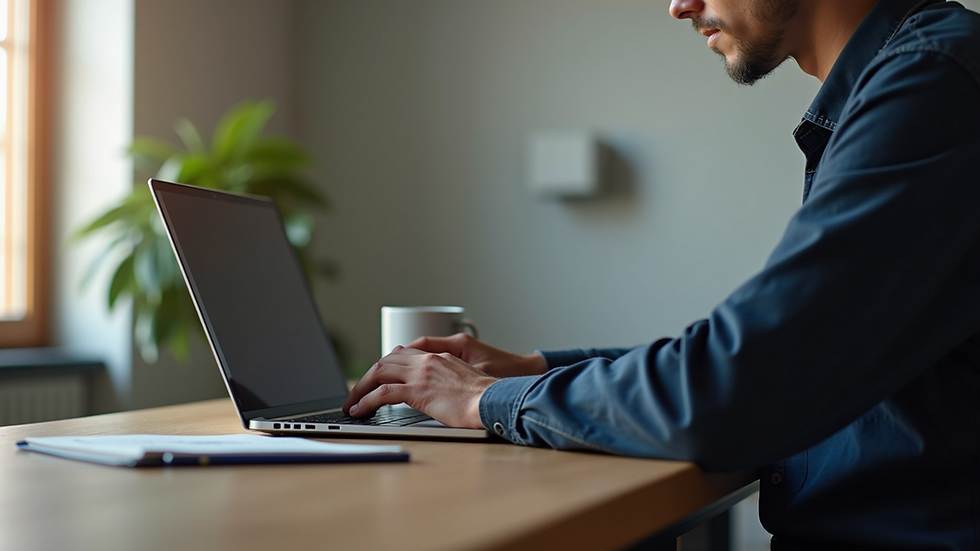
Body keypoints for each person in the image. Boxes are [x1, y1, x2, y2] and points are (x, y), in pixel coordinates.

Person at [344, 0, 980, 548]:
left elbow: (736, 389)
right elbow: (767, 359)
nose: (678, 5)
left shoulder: (930, 81)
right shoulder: (913, 75)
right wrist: (532, 371)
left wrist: (483, 401)